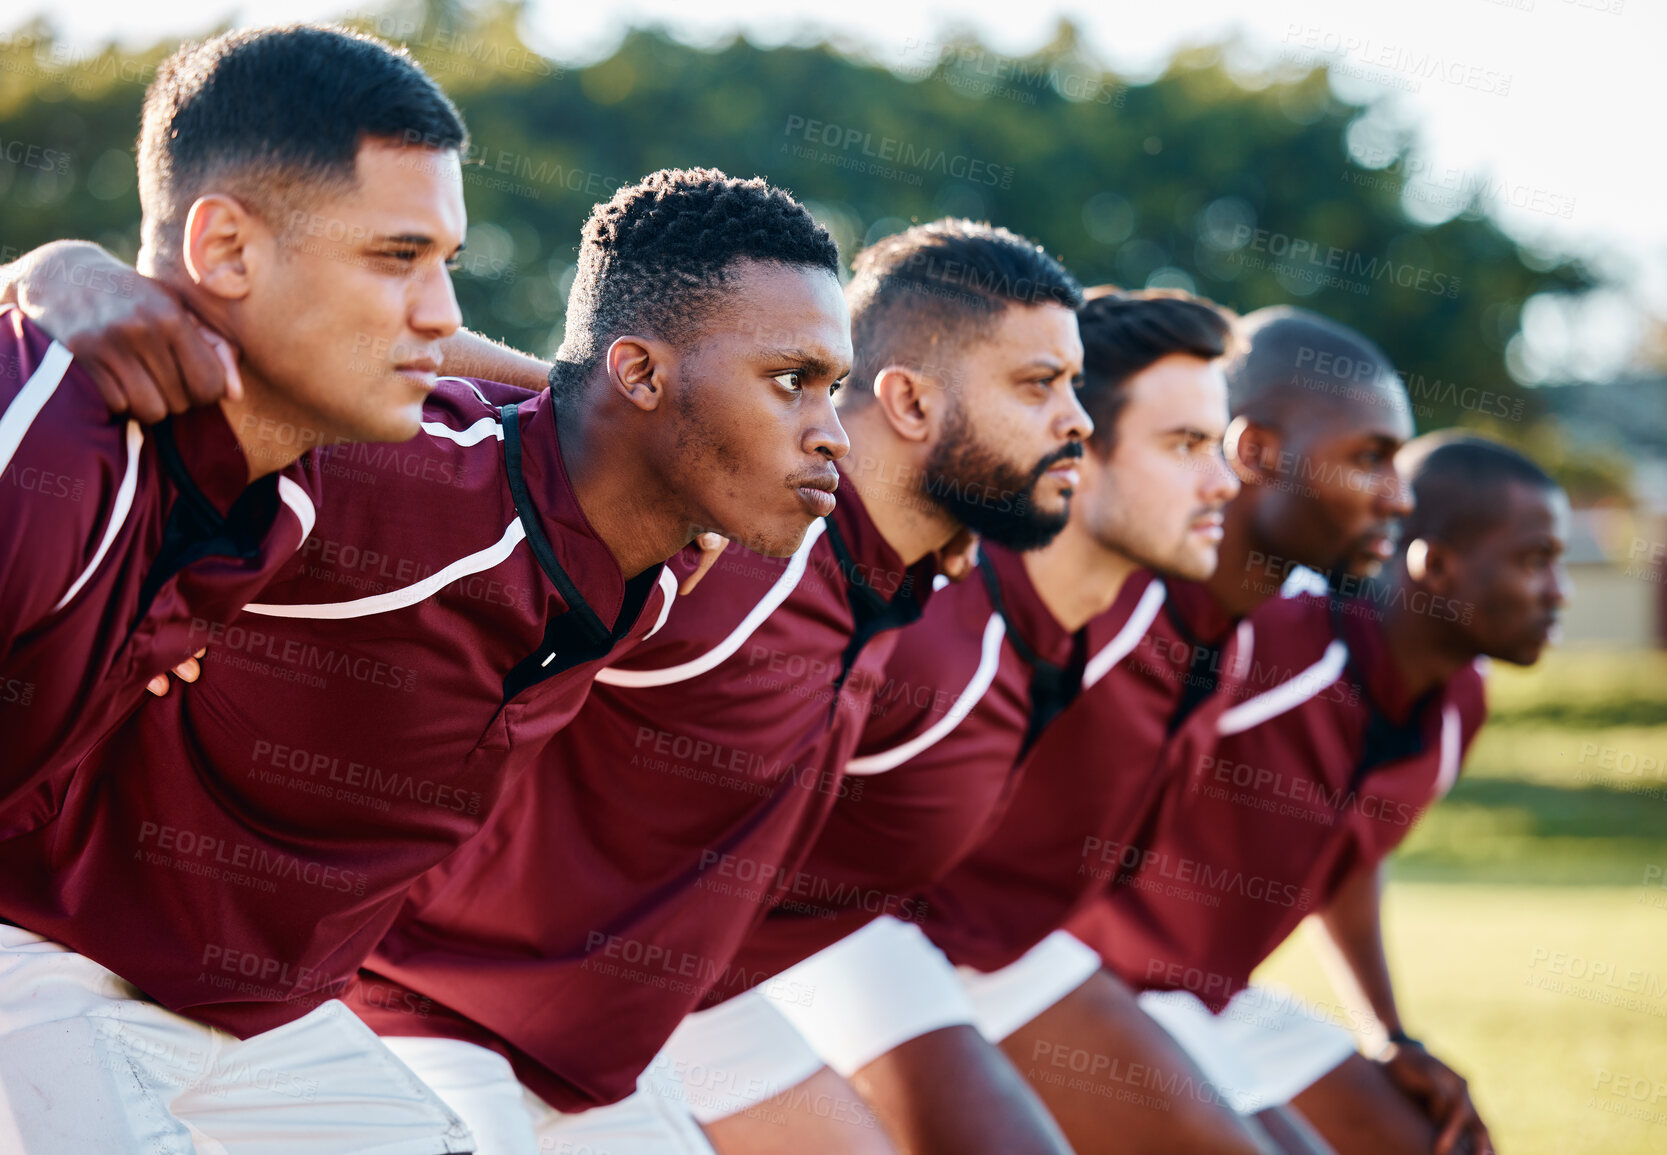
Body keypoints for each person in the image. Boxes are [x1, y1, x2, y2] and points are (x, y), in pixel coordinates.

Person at [0, 156, 854, 1153]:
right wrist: (51, 268)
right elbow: (92, 347)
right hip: (15, 945)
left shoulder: (676, 558)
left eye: (833, 387)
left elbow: (543, 404)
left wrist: (587, 392)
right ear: (640, 374)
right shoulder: (392, 477)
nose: (833, 434)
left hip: (254, 1019)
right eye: (792, 382)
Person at [346, 220, 1093, 1154]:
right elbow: (360, 358)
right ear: (904, 400)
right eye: (1039, 384)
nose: (1077, 420)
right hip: (419, 1014)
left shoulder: (898, 582)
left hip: (602, 1062)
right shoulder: (727, 543)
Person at [722, 306, 1420, 1155]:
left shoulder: (1233, 630)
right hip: (860, 932)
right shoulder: (997, 598)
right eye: (1187, 444)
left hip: (1012, 946)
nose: (1398, 494)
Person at [665, 288, 1243, 1155]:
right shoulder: (917, 617)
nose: (1222, 481)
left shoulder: (1114, 623)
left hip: (928, 946)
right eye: (1185, 444)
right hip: (688, 971)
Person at [0, 22, 467, 866]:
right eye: (396, 256)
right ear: (223, 249)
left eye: (446, 261)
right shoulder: (22, 450)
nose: (443, 314)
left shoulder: (278, 474)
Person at [1070, 434, 1565, 1155]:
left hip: (1216, 999)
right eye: (1533, 560)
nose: (1560, 590)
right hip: (1097, 983)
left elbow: (1350, 853)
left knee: (1437, 1142)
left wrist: (1387, 1032)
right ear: (1433, 564)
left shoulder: (1460, 702)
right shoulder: (1277, 635)